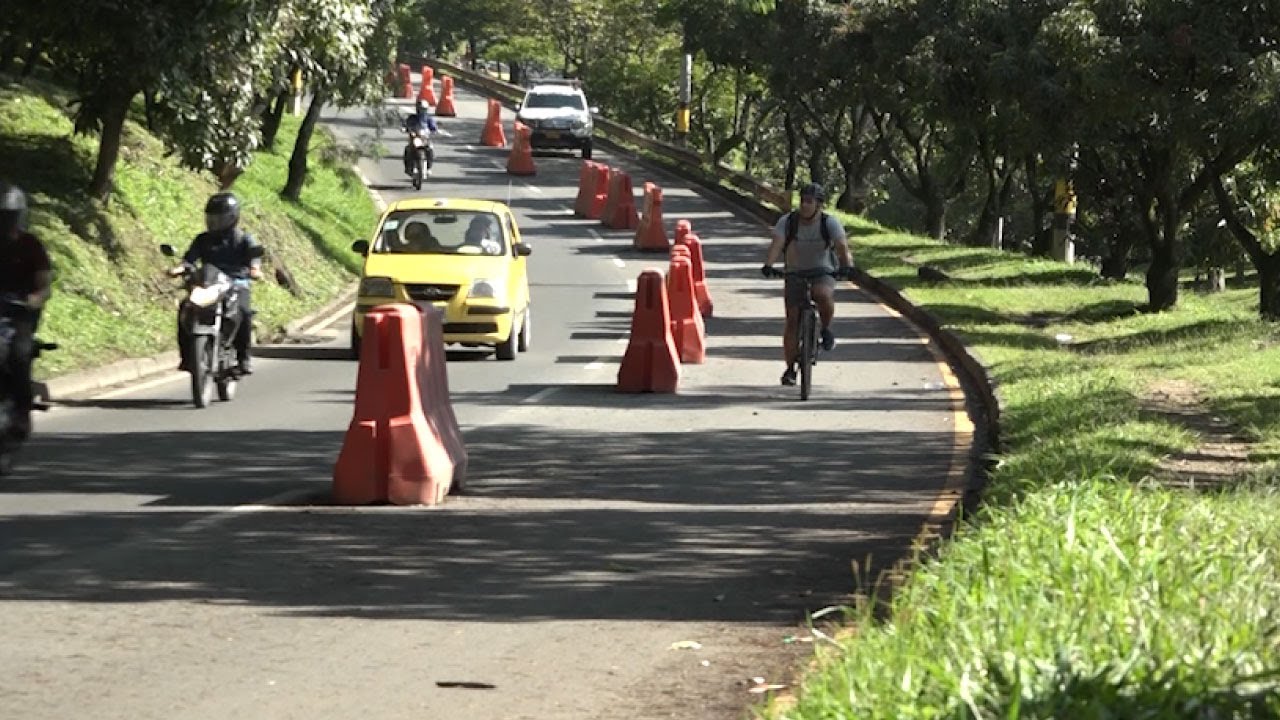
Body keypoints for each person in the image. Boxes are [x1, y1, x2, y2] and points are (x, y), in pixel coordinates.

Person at [761, 182, 855, 387]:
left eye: (809, 202)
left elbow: (841, 247)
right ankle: (790, 368)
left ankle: (826, 328)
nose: (804, 205)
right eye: (802, 201)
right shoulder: (788, 222)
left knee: (822, 293)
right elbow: (777, 243)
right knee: (792, 320)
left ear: (819, 205)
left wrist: (847, 267)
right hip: (794, 272)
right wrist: (769, 265)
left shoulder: (829, 223)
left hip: (822, 270)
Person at [169, 192, 263, 375]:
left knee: (243, 311)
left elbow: (254, 256)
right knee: (185, 308)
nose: (215, 223)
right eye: (212, 218)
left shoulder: (243, 238)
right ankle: (188, 357)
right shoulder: (202, 239)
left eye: (220, 219)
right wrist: (180, 268)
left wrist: (255, 269)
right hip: (208, 283)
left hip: (236, 283)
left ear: (233, 218)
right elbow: (189, 259)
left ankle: (244, 358)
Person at [0, 182, 52, 440]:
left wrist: (35, 298)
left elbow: (44, 283)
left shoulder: (30, 244)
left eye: (8, 217)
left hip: (20, 311)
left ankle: (21, 412)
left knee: (18, 353)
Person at [402, 99, 439, 177]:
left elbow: (433, 127)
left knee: (430, 149)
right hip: (415, 138)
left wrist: (434, 130)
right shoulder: (412, 118)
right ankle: (408, 167)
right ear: (417, 109)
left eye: (424, 109)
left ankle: (428, 168)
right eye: (420, 109)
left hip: (424, 138)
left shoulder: (429, 119)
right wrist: (406, 129)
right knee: (408, 149)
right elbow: (406, 124)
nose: (422, 111)